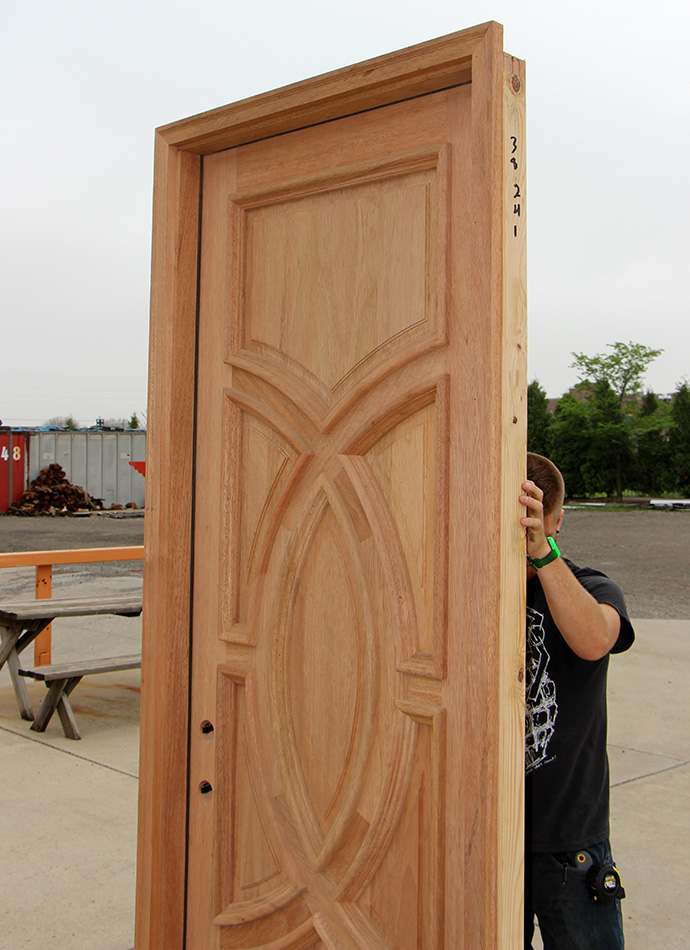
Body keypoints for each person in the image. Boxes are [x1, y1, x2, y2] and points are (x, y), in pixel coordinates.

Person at [519, 453, 635, 950]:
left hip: (570, 844)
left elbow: (593, 640)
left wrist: (543, 558)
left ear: (556, 521)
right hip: (488, 832)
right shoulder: (472, 593)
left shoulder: (591, 586)